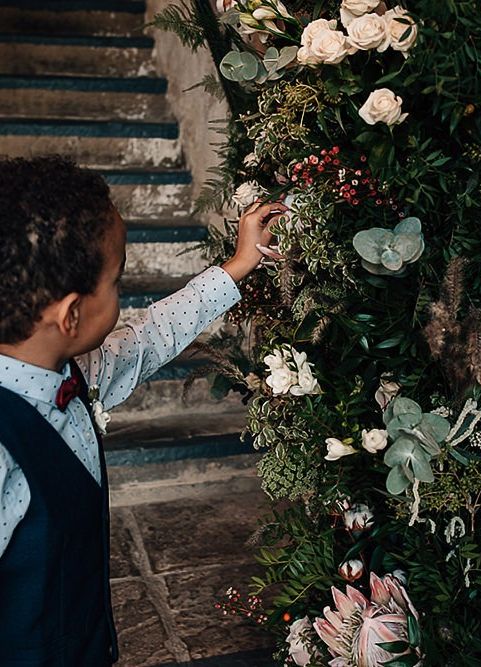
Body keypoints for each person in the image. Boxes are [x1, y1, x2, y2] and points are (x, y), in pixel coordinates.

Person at [0, 156, 284, 666]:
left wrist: (238, 264)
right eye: (116, 283)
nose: (121, 295)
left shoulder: (70, 372)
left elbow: (150, 336)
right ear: (70, 316)